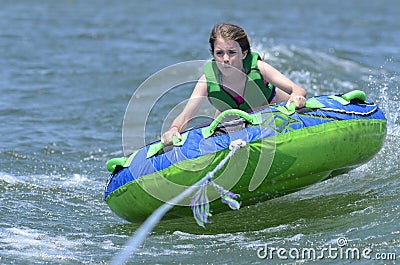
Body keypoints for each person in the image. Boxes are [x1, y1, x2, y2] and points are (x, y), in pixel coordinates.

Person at [161, 23, 306, 145]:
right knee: (224, 119)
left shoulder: (259, 68)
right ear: (213, 55)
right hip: (234, 122)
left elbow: (297, 89)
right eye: (219, 53)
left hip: (271, 110)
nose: (225, 59)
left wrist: (297, 97)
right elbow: (186, 115)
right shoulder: (206, 81)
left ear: (243, 54)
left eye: (231, 52)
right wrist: (174, 129)